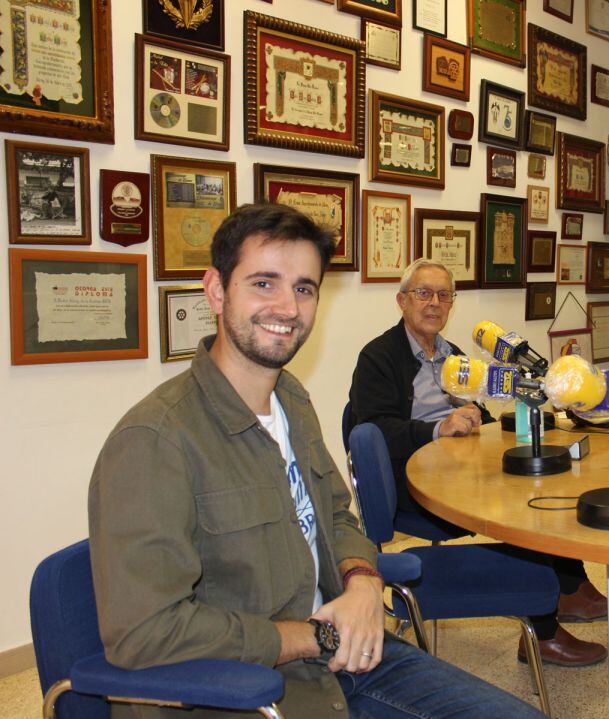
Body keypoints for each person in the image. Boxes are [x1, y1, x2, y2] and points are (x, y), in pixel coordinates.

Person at [88, 204, 548, 719]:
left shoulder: (292, 400)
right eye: (264, 283)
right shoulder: (154, 440)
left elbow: (336, 515)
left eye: (304, 288)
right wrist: (312, 636)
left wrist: (362, 581)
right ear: (216, 290)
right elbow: (143, 635)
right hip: (246, 688)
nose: (287, 307)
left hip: (347, 654)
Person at [348, 259, 608, 667]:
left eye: (444, 295)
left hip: (461, 469)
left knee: (542, 484)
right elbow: (377, 430)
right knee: (527, 511)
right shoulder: (378, 357)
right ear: (402, 301)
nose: (434, 303)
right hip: (414, 486)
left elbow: (478, 413)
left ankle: (568, 585)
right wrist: (437, 430)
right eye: (423, 293)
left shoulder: (453, 356)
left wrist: (514, 417)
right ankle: (543, 632)